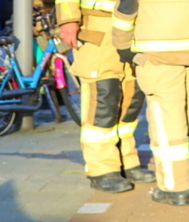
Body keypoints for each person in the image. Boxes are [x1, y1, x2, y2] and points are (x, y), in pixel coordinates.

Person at [112, 0, 189, 205]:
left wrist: (122, 46)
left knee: (167, 119)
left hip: (159, 54)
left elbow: (127, 8)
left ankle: (175, 188)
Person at [57, 0, 157, 193]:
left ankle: (127, 161)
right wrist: (68, 20)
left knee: (132, 99)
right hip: (98, 27)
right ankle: (101, 169)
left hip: (135, 27)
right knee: (103, 100)